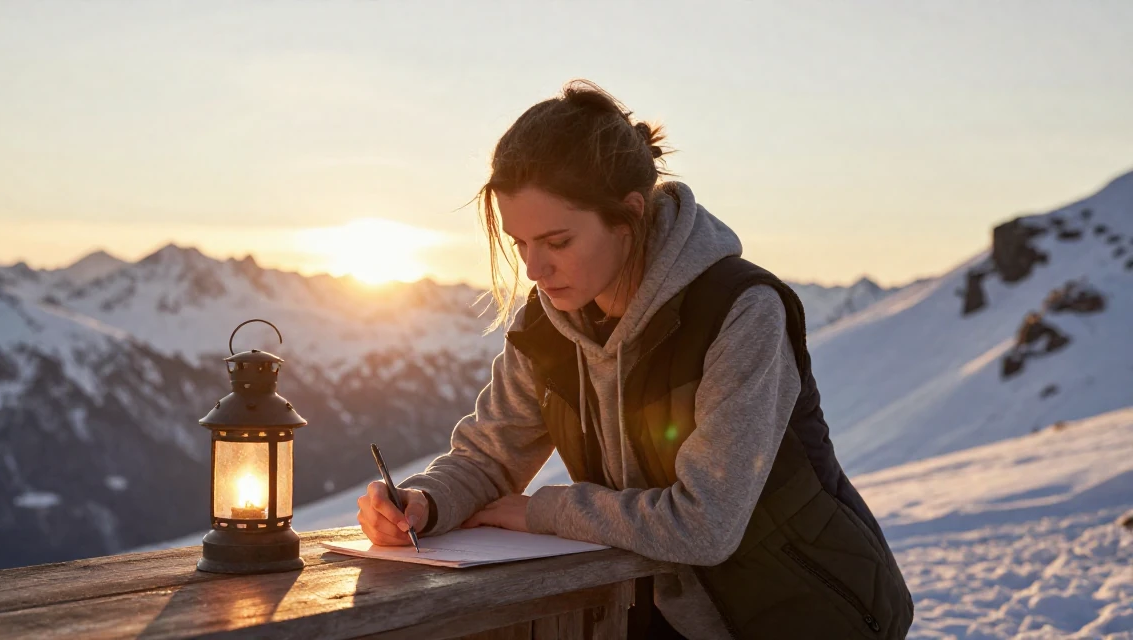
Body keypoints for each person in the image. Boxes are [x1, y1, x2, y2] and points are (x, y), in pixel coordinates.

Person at [357, 80, 913, 639]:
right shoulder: (548, 325)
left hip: (806, 612)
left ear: (628, 215)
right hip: (659, 616)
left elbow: (705, 524)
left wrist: (542, 513)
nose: (534, 268)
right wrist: (424, 503)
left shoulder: (740, 312)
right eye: (520, 242)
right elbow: (489, 459)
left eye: (557, 241)